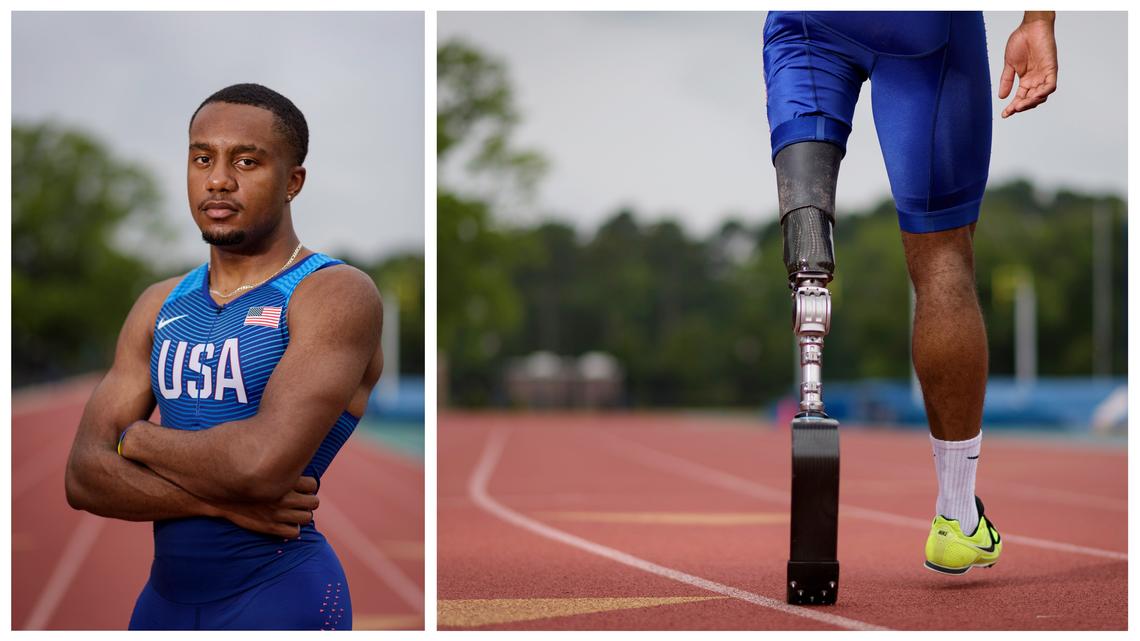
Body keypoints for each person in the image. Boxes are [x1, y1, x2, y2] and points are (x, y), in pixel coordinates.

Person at [64, 83, 384, 629]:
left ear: (293, 182)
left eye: (246, 161)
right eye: (202, 159)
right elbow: (83, 477)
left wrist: (135, 439)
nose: (218, 180)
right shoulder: (158, 304)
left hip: (281, 596)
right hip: (161, 606)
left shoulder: (333, 294)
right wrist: (217, 503)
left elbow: (260, 466)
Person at [763, 11, 1057, 575]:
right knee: (943, 258)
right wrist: (1038, 19)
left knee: (807, 219)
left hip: (808, 21)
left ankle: (808, 248)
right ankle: (957, 517)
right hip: (919, 24)